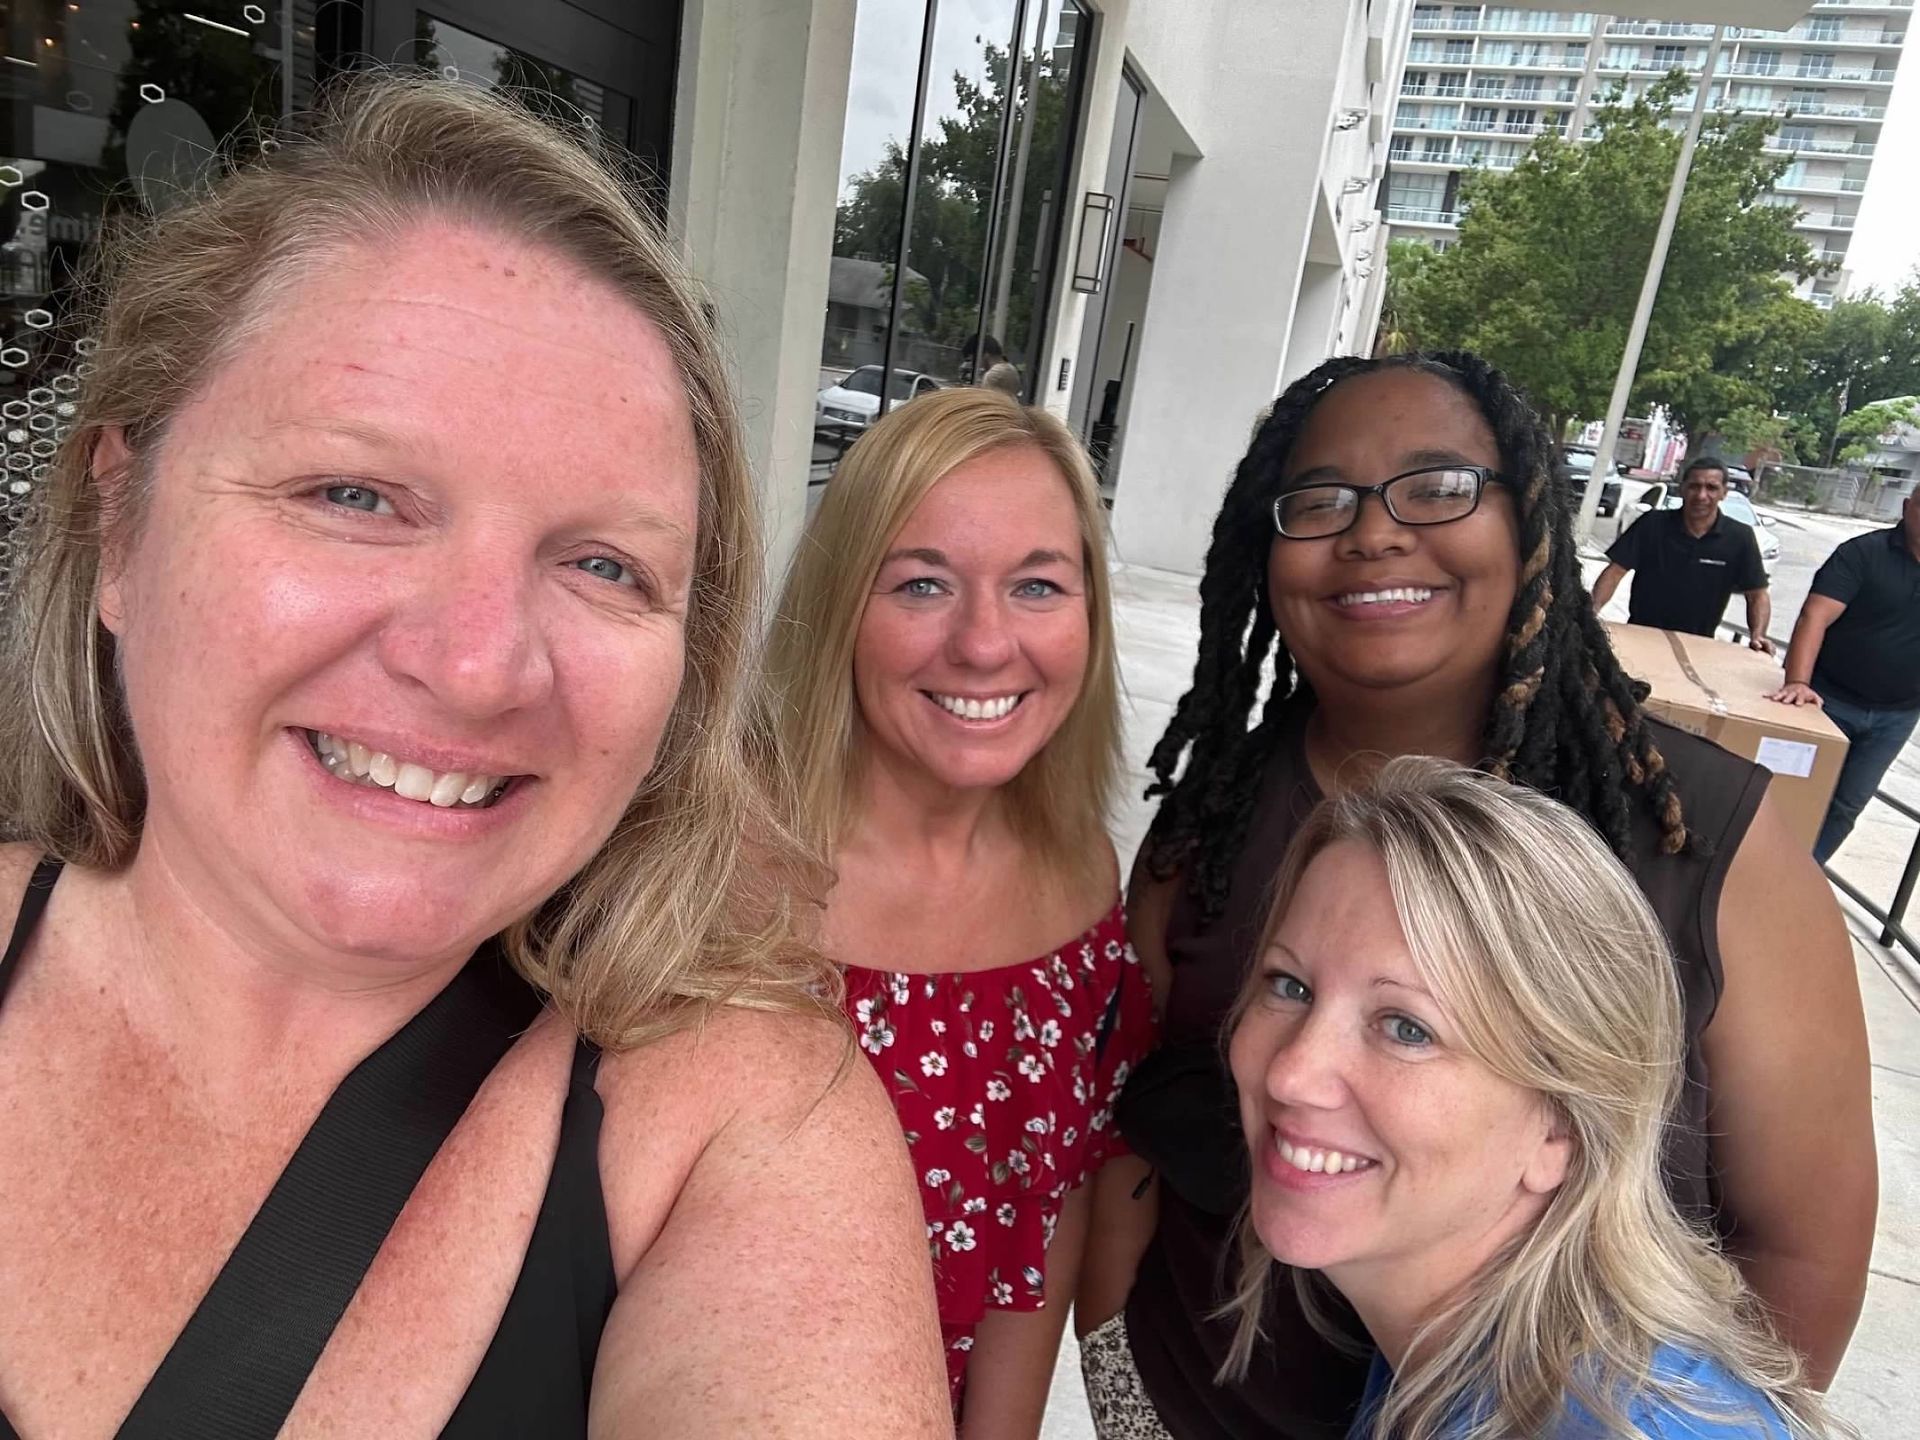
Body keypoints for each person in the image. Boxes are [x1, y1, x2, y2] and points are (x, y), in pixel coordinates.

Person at [0, 77, 949, 1438]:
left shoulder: (739, 1142)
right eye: (354, 496)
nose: (479, 664)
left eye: (606, 565)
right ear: (118, 526)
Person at [1076, 352, 1874, 1440]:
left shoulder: (1702, 832)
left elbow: (1803, 1245)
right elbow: (1135, 1125)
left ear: (1530, 526)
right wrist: (1118, 1363)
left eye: (1439, 486)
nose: (1374, 534)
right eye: (1319, 502)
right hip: (1195, 1402)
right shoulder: (1207, 820)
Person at [1224, 757, 1841, 1440]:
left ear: (1561, 1132)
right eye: (1290, 986)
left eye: (1408, 1028)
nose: (1291, 1075)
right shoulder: (1451, 1343)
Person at [765, 385, 1156, 1432]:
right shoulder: (722, 883)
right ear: (840, 602)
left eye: (1038, 586)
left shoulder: (1078, 884)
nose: (985, 645)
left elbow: (1043, 1212)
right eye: (923, 584)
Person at [1767, 487, 1920, 863]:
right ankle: (1757, 869)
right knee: (1788, 793)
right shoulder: (1863, 554)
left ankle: (1803, 877)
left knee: (1848, 805)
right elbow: (1814, 616)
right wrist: (1798, 681)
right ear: (1908, 507)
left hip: (1897, 716)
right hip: (1826, 701)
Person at [1590, 457, 1773, 653]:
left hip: (1699, 646)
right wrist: (1591, 613)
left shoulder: (1740, 537)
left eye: (1711, 488)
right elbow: (1615, 572)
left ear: (1723, 493)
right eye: (1695, 486)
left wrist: (1758, 635)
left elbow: (1757, 595)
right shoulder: (1652, 524)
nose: (1702, 495)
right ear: (1683, 488)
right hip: (1640, 636)